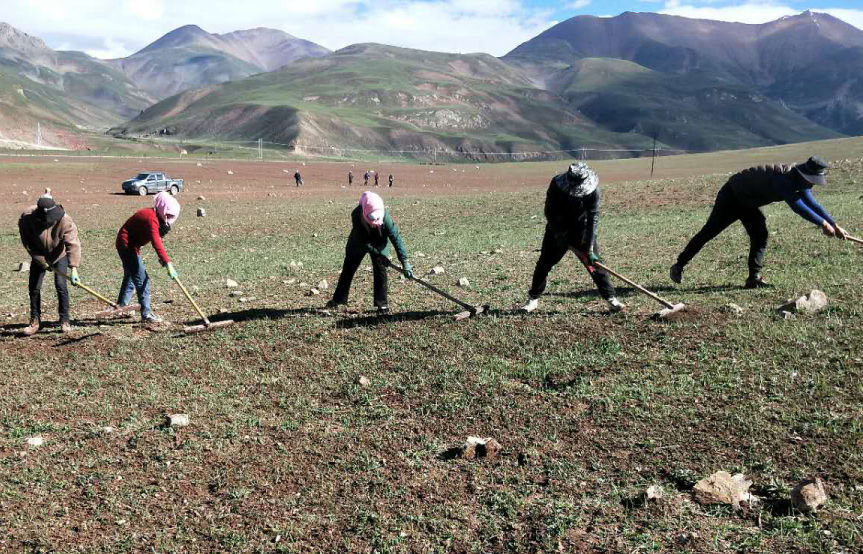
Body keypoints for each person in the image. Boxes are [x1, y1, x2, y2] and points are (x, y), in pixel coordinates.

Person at [670, 157, 848, 288]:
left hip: (748, 203)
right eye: (813, 180)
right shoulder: (783, 180)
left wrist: (835, 224)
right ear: (805, 174)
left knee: (760, 235)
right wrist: (823, 225)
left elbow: (812, 204)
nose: (813, 184)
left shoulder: (801, 182)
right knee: (709, 232)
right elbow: (798, 206)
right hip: (732, 197)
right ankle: (679, 265)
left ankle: (753, 278)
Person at [520, 163, 625, 314]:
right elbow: (549, 211)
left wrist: (588, 247)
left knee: (595, 265)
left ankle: (611, 300)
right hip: (557, 227)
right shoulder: (556, 184)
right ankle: (532, 299)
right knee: (544, 264)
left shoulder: (593, 190)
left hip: (581, 231)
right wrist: (558, 233)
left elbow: (593, 218)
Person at [326, 191, 413, 313]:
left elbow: (395, 237)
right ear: (364, 214)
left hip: (379, 240)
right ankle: (338, 300)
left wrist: (405, 261)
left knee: (380, 269)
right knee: (348, 268)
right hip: (359, 241)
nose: (374, 224)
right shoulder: (356, 215)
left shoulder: (386, 217)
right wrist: (377, 254)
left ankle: (382, 305)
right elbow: (363, 242)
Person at [18, 190, 82, 335]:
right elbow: (27, 242)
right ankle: (35, 321)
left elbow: (73, 244)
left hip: (59, 255)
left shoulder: (65, 220)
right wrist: (40, 260)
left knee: (61, 285)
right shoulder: (27, 218)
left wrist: (74, 268)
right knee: (34, 287)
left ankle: (65, 320)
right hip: (38, 255)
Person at [115, 192, 180, 324]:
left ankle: (121, 306)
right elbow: (156, 243)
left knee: (131, 275)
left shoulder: (155, 216)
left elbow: (153, 238)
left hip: (131, 245)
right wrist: (168, 264)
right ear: (162, 207)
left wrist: (163, 260)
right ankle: (146, 314)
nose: (169, 218)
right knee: (142, 278)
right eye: (168, 214)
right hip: (127, 245)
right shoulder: (151, 218)